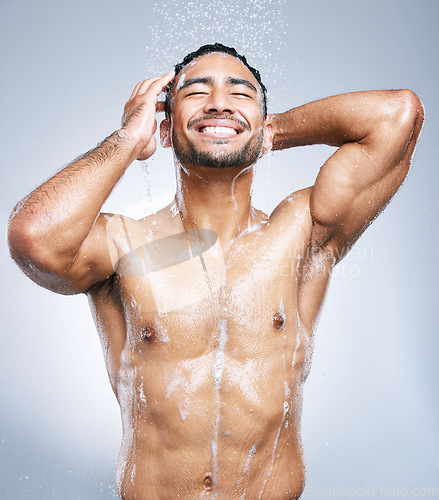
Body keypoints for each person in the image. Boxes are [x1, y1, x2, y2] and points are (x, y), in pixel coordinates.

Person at [7, 43, 423, 499]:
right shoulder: (122, 246)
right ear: (166, 127)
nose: (220, 103)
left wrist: (269, 132)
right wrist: (128, 138)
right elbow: (34, 238)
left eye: (240, 94)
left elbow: (397, 114)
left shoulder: (303, 233)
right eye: (197, 92)